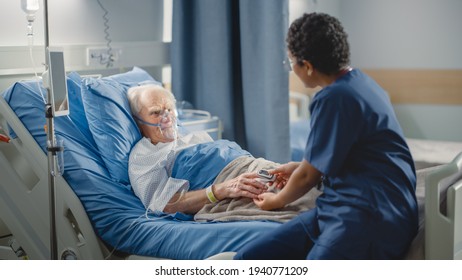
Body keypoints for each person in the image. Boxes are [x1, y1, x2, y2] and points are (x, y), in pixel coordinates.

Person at [234, 13, 418, 260]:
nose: (292, 69)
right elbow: (346, 157)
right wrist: (300, 166)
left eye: (291, 63)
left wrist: (277, 200)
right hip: (342, 207)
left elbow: (308, 177)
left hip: (369, 217)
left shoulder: (334, 98)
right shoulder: (361, 83)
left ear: (307, 66)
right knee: (247, 259)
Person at [127, 84, 318, 220]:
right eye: (156, 112)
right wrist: (222, 189)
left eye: (169, 109)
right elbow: (165, 204)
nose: (166, 117)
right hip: (229, 187)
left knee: (311, 184)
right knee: (305, 204)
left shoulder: (193, 137)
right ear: (138, 121)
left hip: (255, 169)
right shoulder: (144, 154)